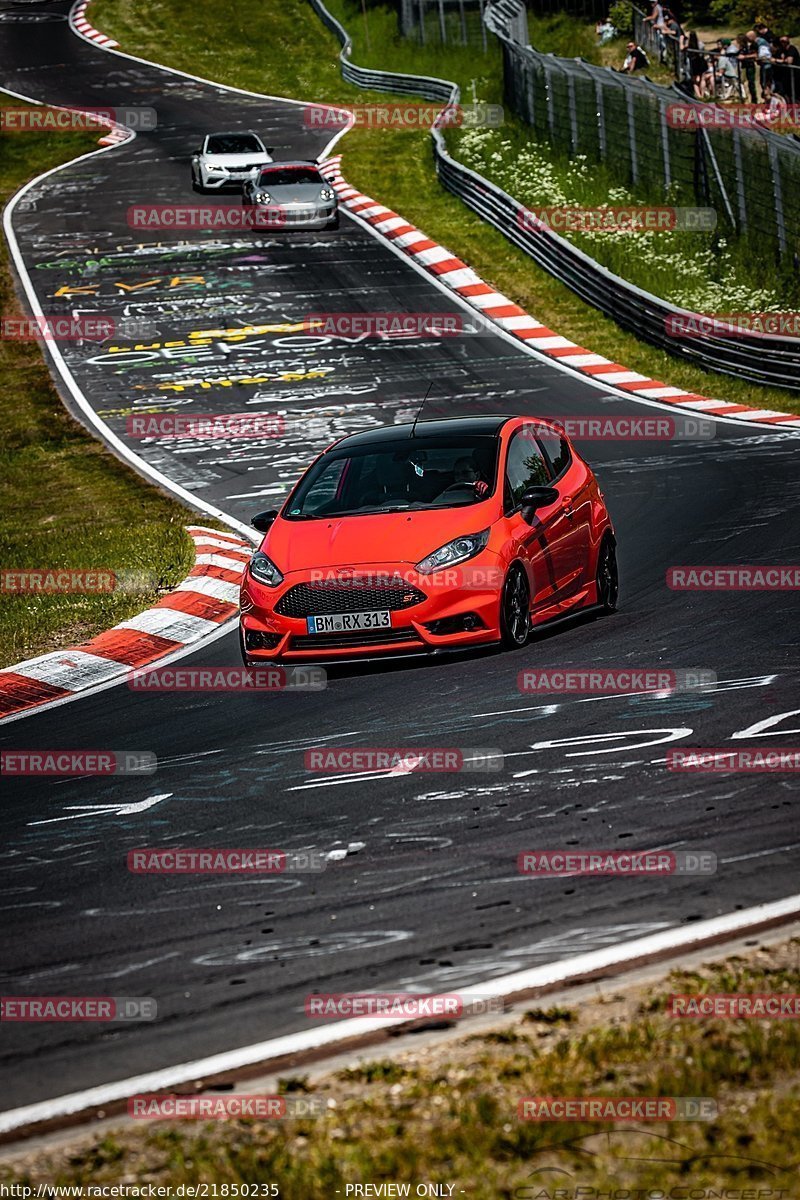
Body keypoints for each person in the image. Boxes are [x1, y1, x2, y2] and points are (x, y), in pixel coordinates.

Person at [687, 31, 714, 97]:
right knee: (702, 79)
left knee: (695, 81)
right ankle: (702, 93)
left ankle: (699, 96)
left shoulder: (688, 45)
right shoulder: (700, 44)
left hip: (693, 63)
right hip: (701, 62)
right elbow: (704, 52)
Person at [774, 35, 800, 103]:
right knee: (788, 94)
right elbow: (773, 58)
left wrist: (779, 60)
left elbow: (789, 61)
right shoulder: (781, 50)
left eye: (784, 41)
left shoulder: (792, 49)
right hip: (786, 77)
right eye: (781, 42)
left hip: (795, 76)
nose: (782, 43)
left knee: (796, 94)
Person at [738, 33, 758, 101]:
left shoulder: (751, 45)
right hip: (743, 66)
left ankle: (754, 99)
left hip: (750, 66)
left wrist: (745, 57)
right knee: (742, 82)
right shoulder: (742, 47)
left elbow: (755, 55)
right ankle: (744, 97)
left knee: (751, 83)